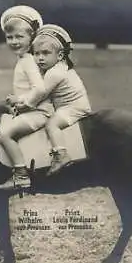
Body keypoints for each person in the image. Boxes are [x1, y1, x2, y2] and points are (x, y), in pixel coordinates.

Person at [0, 5, 55, 190]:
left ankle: (21, 174)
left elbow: (39, 89)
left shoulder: (29, 61)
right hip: (33, 110)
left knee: (4, 134)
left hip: (39, 113)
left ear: (32, 38)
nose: (14, 41)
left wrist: (22, 102)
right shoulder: (24, 58)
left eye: (19, 36)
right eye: (10, 37)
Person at [31, 24, 92, 176]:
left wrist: (19, 102)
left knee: (52, 124)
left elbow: (39, 95)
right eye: (36, 53)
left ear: (59, 56)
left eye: (45, 53)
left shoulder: (54, 73)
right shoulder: (57, 67)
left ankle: (61, 155)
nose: (40, 58)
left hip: (73, 107)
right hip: (68, 105)